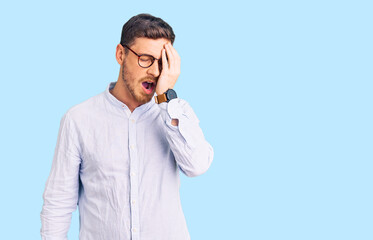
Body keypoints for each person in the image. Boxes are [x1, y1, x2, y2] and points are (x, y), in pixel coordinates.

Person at [40, 13, 214, 240]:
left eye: (162, 62)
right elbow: (58, 203)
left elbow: (197, 166)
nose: (154, 71)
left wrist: (167, 100)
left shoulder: (175, 113)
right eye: (145, 58)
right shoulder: (78, 119)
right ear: (120, 54)